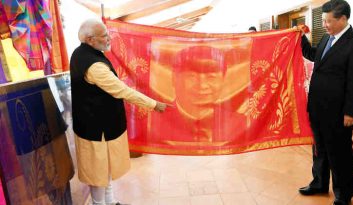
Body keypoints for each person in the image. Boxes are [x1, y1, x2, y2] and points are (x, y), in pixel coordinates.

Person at [70, 19, 167, 205]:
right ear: (90, 39)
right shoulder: (93, 65)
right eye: (104, 36)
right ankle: (99, 203)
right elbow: (121, 90)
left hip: (97, 125)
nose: (109, 39)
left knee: (103, 168)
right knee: (98, 172)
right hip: (96, 129)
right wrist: (154, 104)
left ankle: (111, 201)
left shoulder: (83, 53)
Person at [297, 1, 353, 205]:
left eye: (328, 21)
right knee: (319, 150)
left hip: (339, 113)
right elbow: (315, 56)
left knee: (339, 154)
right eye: (323, 20)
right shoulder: (327, 38)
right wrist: (300, 38)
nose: (325, 25)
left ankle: (343, 194)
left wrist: (352, 112)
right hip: (318, 109)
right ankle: (319, 183)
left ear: (343, 19)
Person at [149, 46, 247, 145]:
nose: (202, 85)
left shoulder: (239, 123)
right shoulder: (154, 122)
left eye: (211, 77)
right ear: (174, 78)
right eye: (192, 77)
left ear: (223, 80)